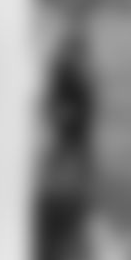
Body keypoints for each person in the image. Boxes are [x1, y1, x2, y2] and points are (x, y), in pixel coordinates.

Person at [45, 15, 99, 169]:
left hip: (76, 120)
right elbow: (57, 97)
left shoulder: (72, 69)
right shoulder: (63, 69)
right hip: (70, 120)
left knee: (75, 149)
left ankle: (75, 169)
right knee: (68, 149)